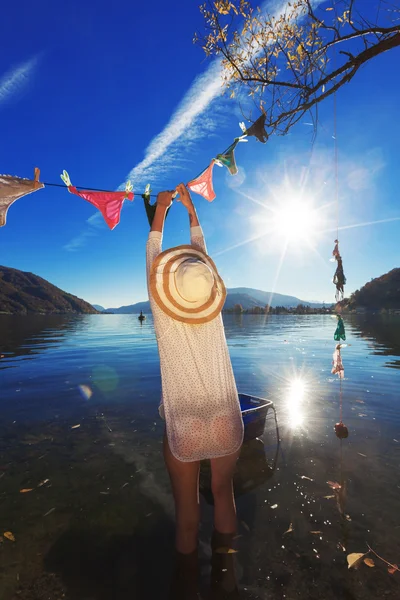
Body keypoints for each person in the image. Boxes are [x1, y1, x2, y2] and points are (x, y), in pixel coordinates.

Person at [146, 184, 244, 599]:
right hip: (224, 412)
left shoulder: (162, 310)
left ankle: (186, 588)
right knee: (223, 493)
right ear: (210, 291)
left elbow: (153, 255)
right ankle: (225, 578)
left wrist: (162, 210)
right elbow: (202, 258)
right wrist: (192, 214)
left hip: (185, 421)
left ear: (168, 288)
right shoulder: (214, 314)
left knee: (188, 513)